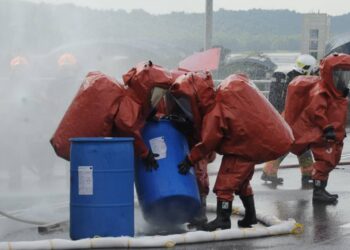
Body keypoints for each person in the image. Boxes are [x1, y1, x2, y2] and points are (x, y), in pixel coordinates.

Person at [175, 74, 294, 231]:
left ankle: (223, 219)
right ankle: (250, 215)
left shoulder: (214, 113)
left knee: (225, 185)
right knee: (242, 183)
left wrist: (189, 160)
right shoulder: (222, 101)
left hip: (241, 151)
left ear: (197, 97)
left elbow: (207, 143)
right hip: (249, 147)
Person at [51, 61, 173, 170]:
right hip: (99, 158)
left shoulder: (132, 99)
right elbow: (127, 127)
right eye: (158, 91)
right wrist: (145, 153)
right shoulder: (131, 102)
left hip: (90, 154)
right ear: (146, 88)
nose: (158, 97)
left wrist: (152, 114)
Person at [284, 53, 350, 204]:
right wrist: (327, 128)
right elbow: (316, 111)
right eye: (339, 74)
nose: (342, 78)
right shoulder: (321, 91)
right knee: (325, 161)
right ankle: (318, 192)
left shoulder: (336, 93)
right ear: (329, 74)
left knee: (331, 160)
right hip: (325, 134)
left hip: (334, 133)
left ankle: (321, 190)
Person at [167, 71, 216, 228]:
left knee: (200, 174)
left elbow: (207, 140)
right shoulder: (184, 94)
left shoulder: (204, 105)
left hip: (200, 143)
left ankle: (200, 214)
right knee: (194, 173)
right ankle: (193, 211)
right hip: (192, 140)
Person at [261, 54, 317, 186]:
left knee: (300, 145)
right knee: (294, 144)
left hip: (284, 115)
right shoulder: (301, 80)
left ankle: (307, 174)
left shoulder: (290, 76)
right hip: (291, 117)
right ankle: (270, 172)